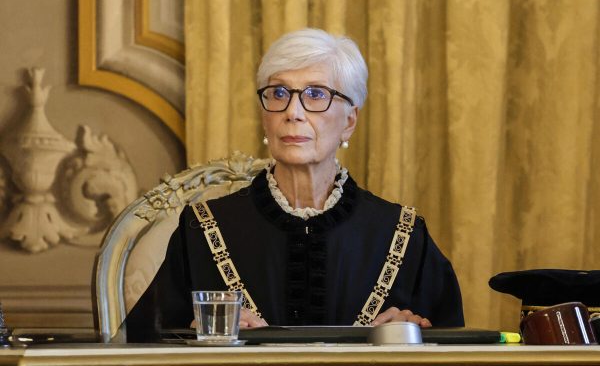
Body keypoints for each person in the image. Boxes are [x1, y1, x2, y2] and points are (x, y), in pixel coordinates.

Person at [125, 28, 464, 342]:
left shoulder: (403, 234)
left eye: (316, 94)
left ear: (349, 121)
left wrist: (411, 335)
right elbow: (141, 345)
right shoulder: (200, 228)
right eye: (279, 93)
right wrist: (197, 333)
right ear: (265, 116)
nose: (294, 111)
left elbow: (456, 349)